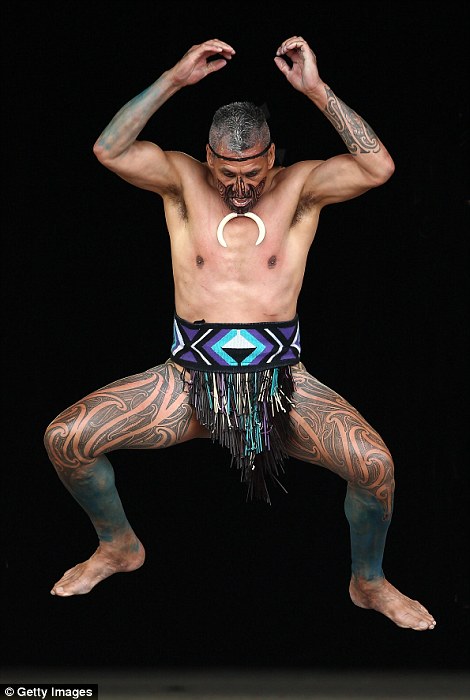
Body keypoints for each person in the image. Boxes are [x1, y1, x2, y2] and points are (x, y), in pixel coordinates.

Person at [44, 36, 436, 631]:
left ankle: (369, 581)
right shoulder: (180, 181)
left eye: (252, 172)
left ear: (271, 157)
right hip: (184, 386)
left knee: (376, 468)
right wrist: (174, 79)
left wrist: (317, 92)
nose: (240, 186)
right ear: (208, 157)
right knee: (66, 440)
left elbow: (377, 167)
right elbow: (108, 148)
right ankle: (118, 547)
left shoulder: (300, 188)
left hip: (281, 389)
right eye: (227, 172)